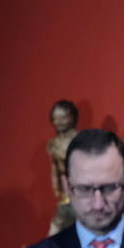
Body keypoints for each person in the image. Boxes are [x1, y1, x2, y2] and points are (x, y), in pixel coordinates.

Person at [46, 100, 80, 236]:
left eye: (63, 117)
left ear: (73, 118)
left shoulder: (80, 139)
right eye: (55, 118)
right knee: (56, 229)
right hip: (65, 194)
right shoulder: (53, 144)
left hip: (82, 192)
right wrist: (57, 189)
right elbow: (55, 167)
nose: (59, 122)